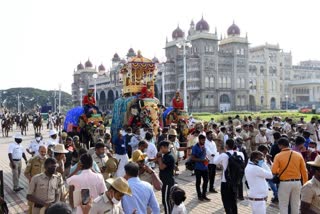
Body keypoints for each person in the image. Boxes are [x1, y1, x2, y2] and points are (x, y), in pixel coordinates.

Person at [271, 137, 308, 214]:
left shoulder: (278, 156)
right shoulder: (298, 155)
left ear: (280, 145)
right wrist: (305, 183)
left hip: (284, 183)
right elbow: (304, 171)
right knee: (295, 205)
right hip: (297, 183)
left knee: (283, 205)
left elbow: (274, 171)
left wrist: (280, 170)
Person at [214, 139, 244, 214]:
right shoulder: (240, 154)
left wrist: (218, 152)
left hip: (225, 181)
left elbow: (215, 161)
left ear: (226, 145)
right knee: (233, 201)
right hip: (235, 181)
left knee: (226, 201)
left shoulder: (224, 155)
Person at [157, 141, 175, 214]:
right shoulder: (166, 155)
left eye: (161, 148)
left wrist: (159, 157)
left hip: (167, 182)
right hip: (165, 181)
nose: (160, 150)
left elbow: (161, 167)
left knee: (166, 201)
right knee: (168, 201)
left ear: (164, 147)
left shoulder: (169, 156)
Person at [191, 134, 210, 201]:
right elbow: (192, 158)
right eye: (202, 140)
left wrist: (207, 158)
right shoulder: (195, 147)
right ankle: (199, 195)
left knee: (206, 181)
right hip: (198, 168)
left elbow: (205, 155)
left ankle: (204, 195)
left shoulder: (204, 146)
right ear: (199, 140)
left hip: (205, 167)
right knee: (198, 182)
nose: (204, 141)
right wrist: (202, 160)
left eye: (204, 140)